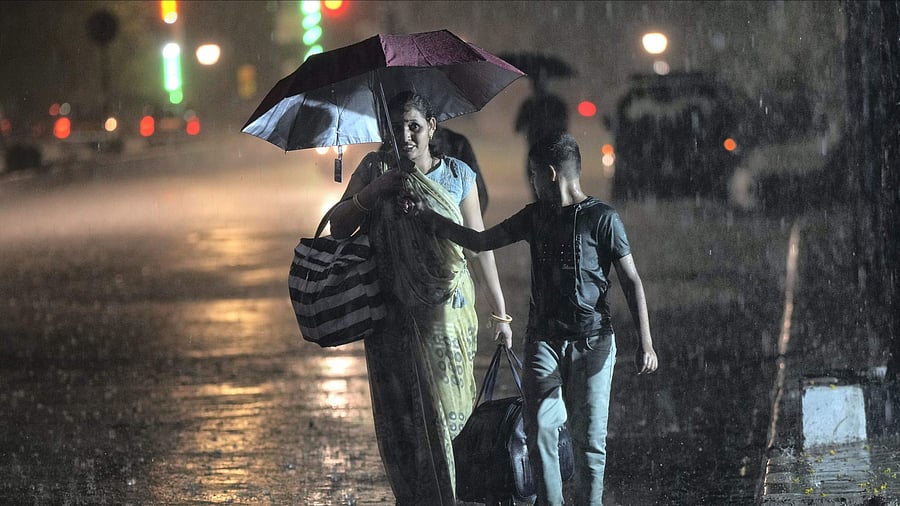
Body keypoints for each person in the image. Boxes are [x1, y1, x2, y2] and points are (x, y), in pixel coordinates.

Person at [415, 132, 659, 505]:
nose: (530, 183)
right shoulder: (534, 218)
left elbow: (631, 280)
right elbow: (481, 242)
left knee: (589, 441)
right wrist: (430, 219)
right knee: (540, 427)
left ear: (549, 174)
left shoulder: (602, 219)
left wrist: (646, 342)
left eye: (532, 175)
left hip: (593, 343)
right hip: (544, 342)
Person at [328, 91, 513, 505]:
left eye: (414, 125)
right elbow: (338, 228)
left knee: (451, 419)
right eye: (396, 128)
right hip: (391, 318)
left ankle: (451, 497)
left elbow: (479, 247)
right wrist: (373, 192)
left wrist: (501, 314)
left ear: (432, 126)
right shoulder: (374, 168)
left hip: (449, 317)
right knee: (403, 422)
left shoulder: (459, 175)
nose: (406, 135)